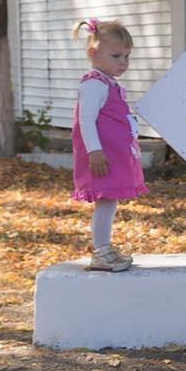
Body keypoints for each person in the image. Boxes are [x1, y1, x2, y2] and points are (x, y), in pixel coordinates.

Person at [73, 18, 146, 271]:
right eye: (116, 56)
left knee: (110, 200)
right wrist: (94, 151)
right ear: (94, 53)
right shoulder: (93, 84)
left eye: (127, 56)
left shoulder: (109, 83)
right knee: (106, 200)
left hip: (112, 155)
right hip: (101, 156)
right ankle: (101, 251)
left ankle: (104, 248)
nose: (123, 62)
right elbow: (86, 120)